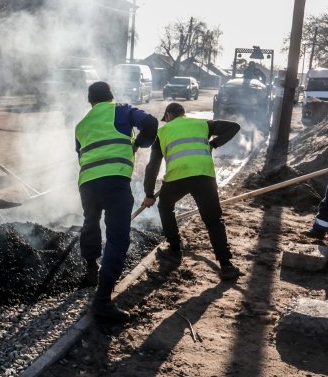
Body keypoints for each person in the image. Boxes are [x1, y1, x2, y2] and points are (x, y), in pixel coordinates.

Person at [75, 81, 158, 321]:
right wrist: (138, 144)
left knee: (90, 222)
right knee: (117, 238)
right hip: (115, 182)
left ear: (91, 102)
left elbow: (81, 154)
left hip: (87, 182)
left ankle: (91, 269)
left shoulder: (81, 124)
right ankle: (102, 301)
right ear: (111, 97)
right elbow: (151, 123)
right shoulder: (121, 110)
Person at [142, 102, 242, 280]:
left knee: (165, 207)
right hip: (204, 176)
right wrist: (213, 144)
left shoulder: (162, 132)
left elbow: (153, 167)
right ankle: (226, 265)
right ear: (183, 114)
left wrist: (149, 194)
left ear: (169, 115)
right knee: (213, 220)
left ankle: (174, 249)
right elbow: (234, 127)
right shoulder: (202, 124)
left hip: (176, 177)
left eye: (166, 119)